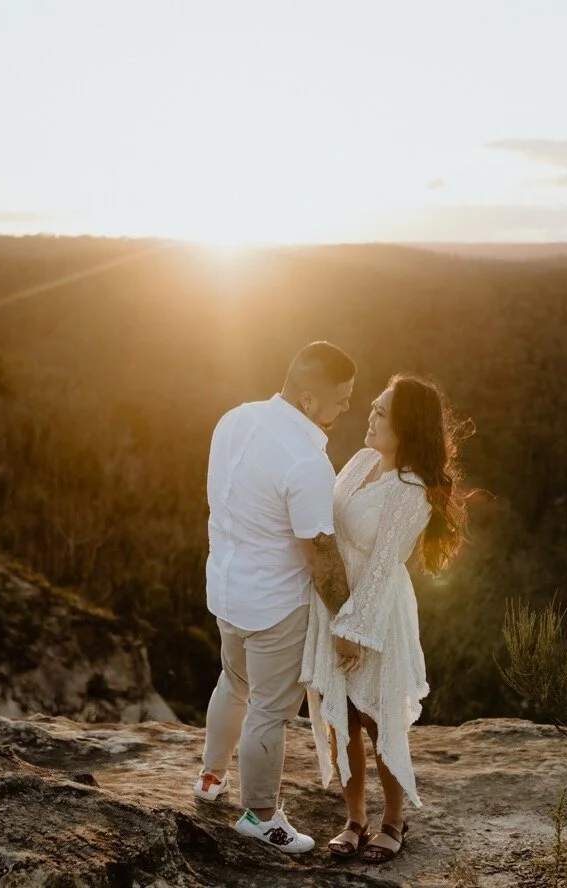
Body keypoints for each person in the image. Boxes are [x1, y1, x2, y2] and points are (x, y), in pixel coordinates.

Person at [194, 341, 359, 854]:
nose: (348, 407)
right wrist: (346, 621)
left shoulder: (235, 418)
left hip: (226, 585)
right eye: (342, 398)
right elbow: (320, 555)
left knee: (233, 680)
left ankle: (209, 778)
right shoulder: (307, 461)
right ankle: (261, 815)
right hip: (273, 604)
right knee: (270, 708)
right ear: (309, 400)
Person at [301, 374, 472, 864]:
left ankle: (394, 820)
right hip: (335, 601)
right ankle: (354, 819)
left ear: (406, 426)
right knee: (343, 719)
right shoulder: (360, 463)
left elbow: (381, 569)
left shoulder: (412, 490)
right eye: (372, 408)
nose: (370, 417)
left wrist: (351, 632)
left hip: (376, 611)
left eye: (381, 413)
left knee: (378, 717)